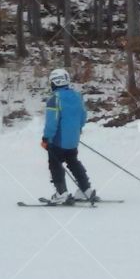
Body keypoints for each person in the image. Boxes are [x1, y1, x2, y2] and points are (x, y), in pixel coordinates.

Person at [41, 68, 97, 204]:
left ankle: (61, 193)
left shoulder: (54, 99)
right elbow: (83, 116)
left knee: (55, 164)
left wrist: (46, 138)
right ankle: (86, 189)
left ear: (54, 82)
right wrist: (77, 130)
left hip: (57, 140)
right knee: (73, 161)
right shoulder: (77, 96)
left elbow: (52, 122)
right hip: (73, 139)